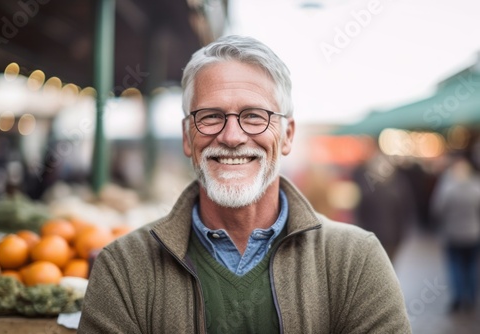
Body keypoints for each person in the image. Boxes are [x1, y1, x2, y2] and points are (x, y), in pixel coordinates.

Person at [78, 35, 411, 333]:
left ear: (287, 136)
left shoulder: (355, 260)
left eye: (254, 115)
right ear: (186, 137)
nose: (232, 137)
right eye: (210, 116)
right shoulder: (122, 266)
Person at [430, 154, 480, 312]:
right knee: (471, 266)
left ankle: (458, 297)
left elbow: (437, 209)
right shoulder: (476, 186)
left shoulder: (447, 187)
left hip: (452, 235)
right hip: (473, 234)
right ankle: (471, 298)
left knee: (455, 266)